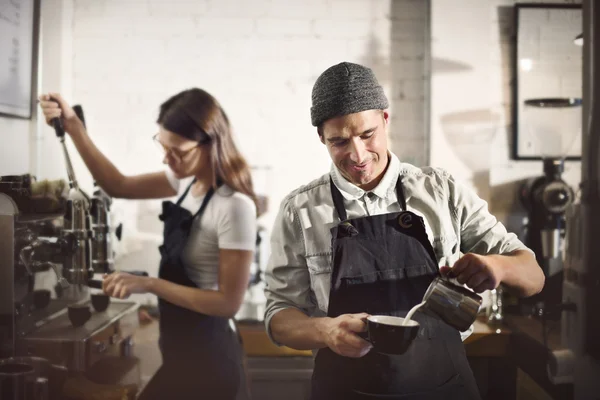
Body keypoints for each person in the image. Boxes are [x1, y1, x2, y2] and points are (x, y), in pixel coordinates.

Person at [263, 62, 545, 400]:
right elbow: (279, 315)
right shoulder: (301, 210)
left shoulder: (442, 191)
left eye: (367, 135)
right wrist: (324, 330)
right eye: (339, 142)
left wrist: (498, 266)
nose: (358, 155)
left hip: (444, 387)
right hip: (344, 390)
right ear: (321, 137)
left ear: (385, 119)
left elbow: (533, 277)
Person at [39, 88, 257, 400]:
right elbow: (118, 185)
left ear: (211, 144)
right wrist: (73, 125)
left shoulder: (234, 206)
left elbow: (227, 303)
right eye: (163, 146)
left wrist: (150, 285)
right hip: (177, 351)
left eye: (178, 152)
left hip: (210, 360)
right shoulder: (184, 182)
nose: (168, 159)